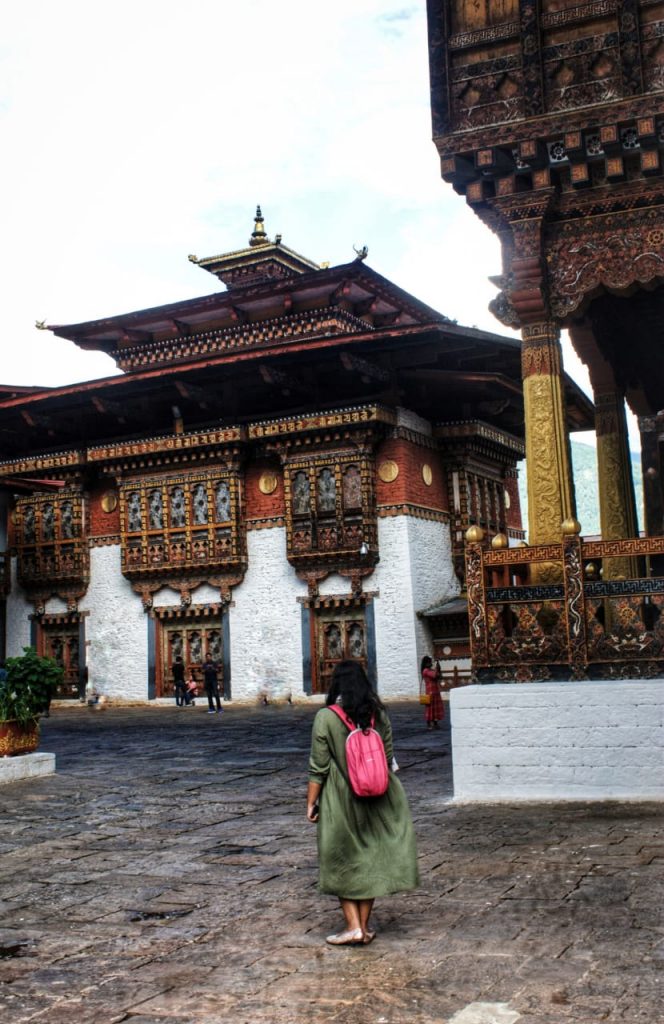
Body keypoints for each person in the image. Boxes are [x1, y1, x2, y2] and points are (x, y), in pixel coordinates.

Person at [307, 661, 419, 946]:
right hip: (378, 794)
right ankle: (364, 927)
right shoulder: (378, 714)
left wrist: (311, 802)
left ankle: (353, 926)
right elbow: (389, 755)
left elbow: (318, 766)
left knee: (341, 857)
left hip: (340, 797)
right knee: (370, 857)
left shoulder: (326, 717)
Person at [421, 655, 444, 730]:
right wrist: (437, 666)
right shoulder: (426, 671)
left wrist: (438, 665)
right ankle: (429, 724)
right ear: (426, 663)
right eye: (429, 662)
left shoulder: (430, 670)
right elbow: (435, 675)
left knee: (435, 708)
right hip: (430, 692)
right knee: (430, 708)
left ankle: (435, 723)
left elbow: (439, 675)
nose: (431, 663)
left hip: (435, 691)